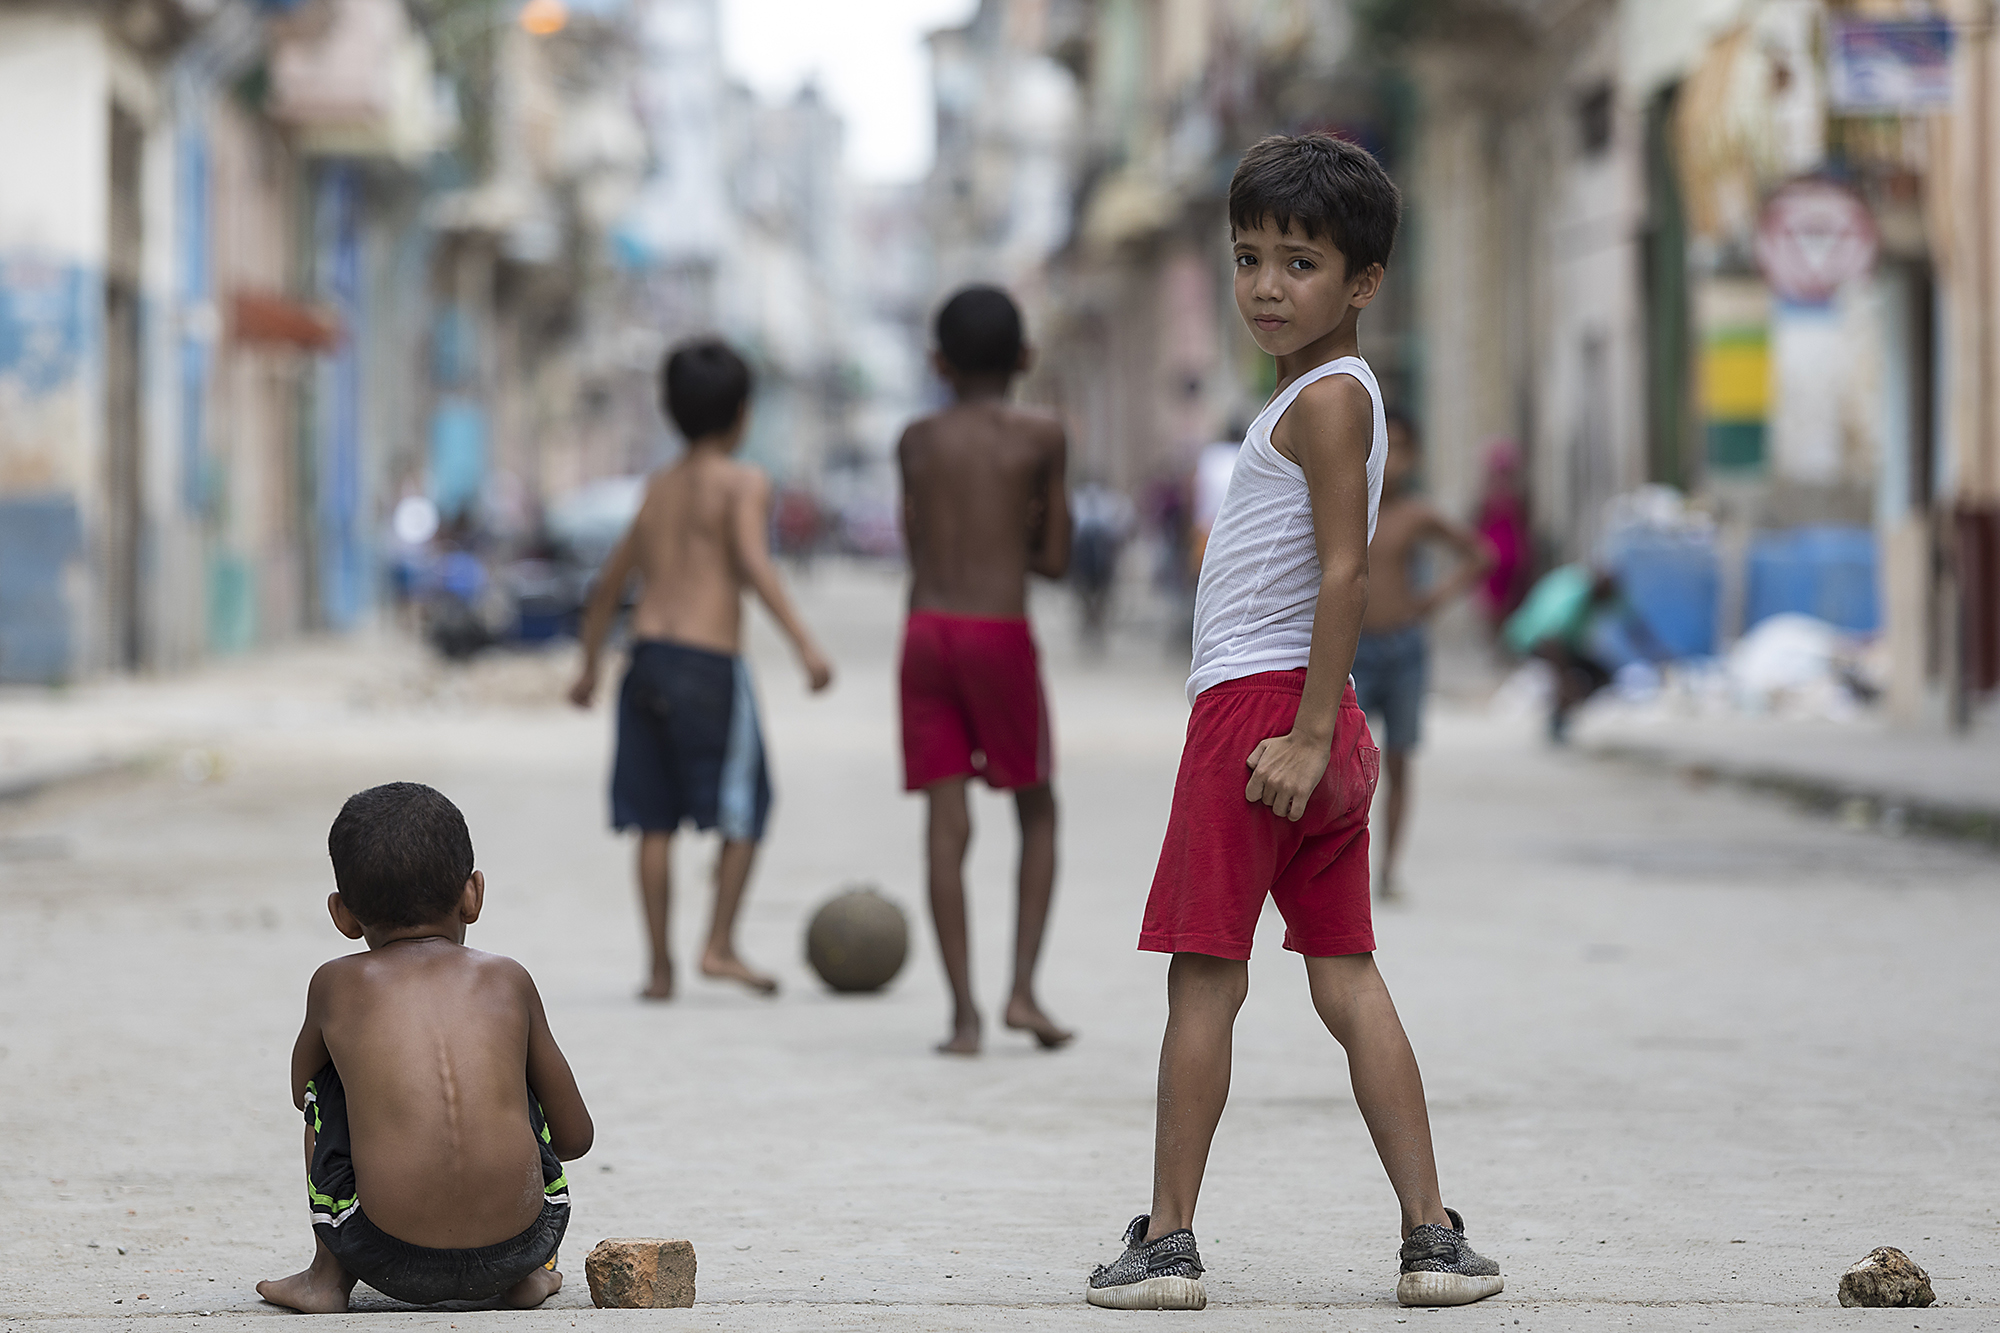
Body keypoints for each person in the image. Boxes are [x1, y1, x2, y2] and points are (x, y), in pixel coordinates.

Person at [1084, 132, 1503, 1312]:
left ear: (1361, 284)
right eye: (1248, 258)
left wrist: (1307, 732)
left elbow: (1343, 573)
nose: (1266, 286)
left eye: (1300, 264)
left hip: (1263, 722)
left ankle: (1165, 1241)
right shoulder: (1326, 394)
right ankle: (1429, 1237)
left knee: (1202, 984)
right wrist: (1325, 730)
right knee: (1347, 975)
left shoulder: (1323, 401)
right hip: (1311, 718)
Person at [257, 783, 593, 1313]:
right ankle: (527, 1277)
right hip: (523, 1242)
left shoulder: (336, 985)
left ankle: (326, 1279)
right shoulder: (509, 980)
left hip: (383, 1253)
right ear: (472, 894)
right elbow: (575, 1137)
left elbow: (304, 1091)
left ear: (342, 914)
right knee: (510, 1070)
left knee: (331, 1084)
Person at [568, 338, 834, 1000]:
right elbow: (752, 561)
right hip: (709, 665)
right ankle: (718, 944)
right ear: (743, 413)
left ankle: (659, 967)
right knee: (746, 807)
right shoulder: (744, 480)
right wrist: (805, 643)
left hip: (645, 660)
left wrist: (589, 667)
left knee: (652, 821)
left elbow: (608, 584)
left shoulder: (658, 485)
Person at [897, 284, 1073, 1056]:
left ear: (936, 361)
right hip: (998, 631)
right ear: (1026, 359)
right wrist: (1026, 528)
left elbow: (919, 545)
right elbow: (1058, 560)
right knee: (1036, 808)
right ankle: (1024, 991)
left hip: (926, 632)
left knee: (946, 820)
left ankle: (963, 1015)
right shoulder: (1041, 434)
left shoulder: (916, 440)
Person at [1350, 414, 1495, 899]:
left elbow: (1479, 555)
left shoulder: (1416, 515)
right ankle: (1337, 868)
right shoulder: (1347, 510)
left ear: (1414, 459)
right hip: (1353, 651)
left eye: (1401, 450)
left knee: (1399, 759)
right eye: (1381, 448)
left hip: (1405, 648)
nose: (1390, 462)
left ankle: (1388, 869)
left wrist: (1434, 598)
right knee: (1343, 762)